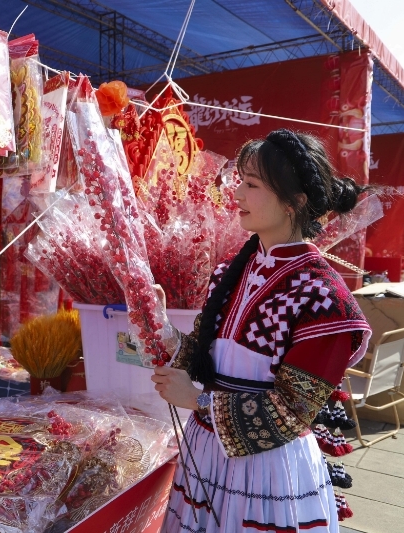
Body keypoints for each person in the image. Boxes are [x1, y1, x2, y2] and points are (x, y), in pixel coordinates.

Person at [152, 129, 372, 532]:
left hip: (267, 471)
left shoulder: (324, 297)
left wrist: (199, 401)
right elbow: (206, 359)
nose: (236, 194)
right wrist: (162, 329)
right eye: (240, 181)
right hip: (205, 454)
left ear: (295, 202)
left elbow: (291, 410)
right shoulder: (230, 273)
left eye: (251, 185)